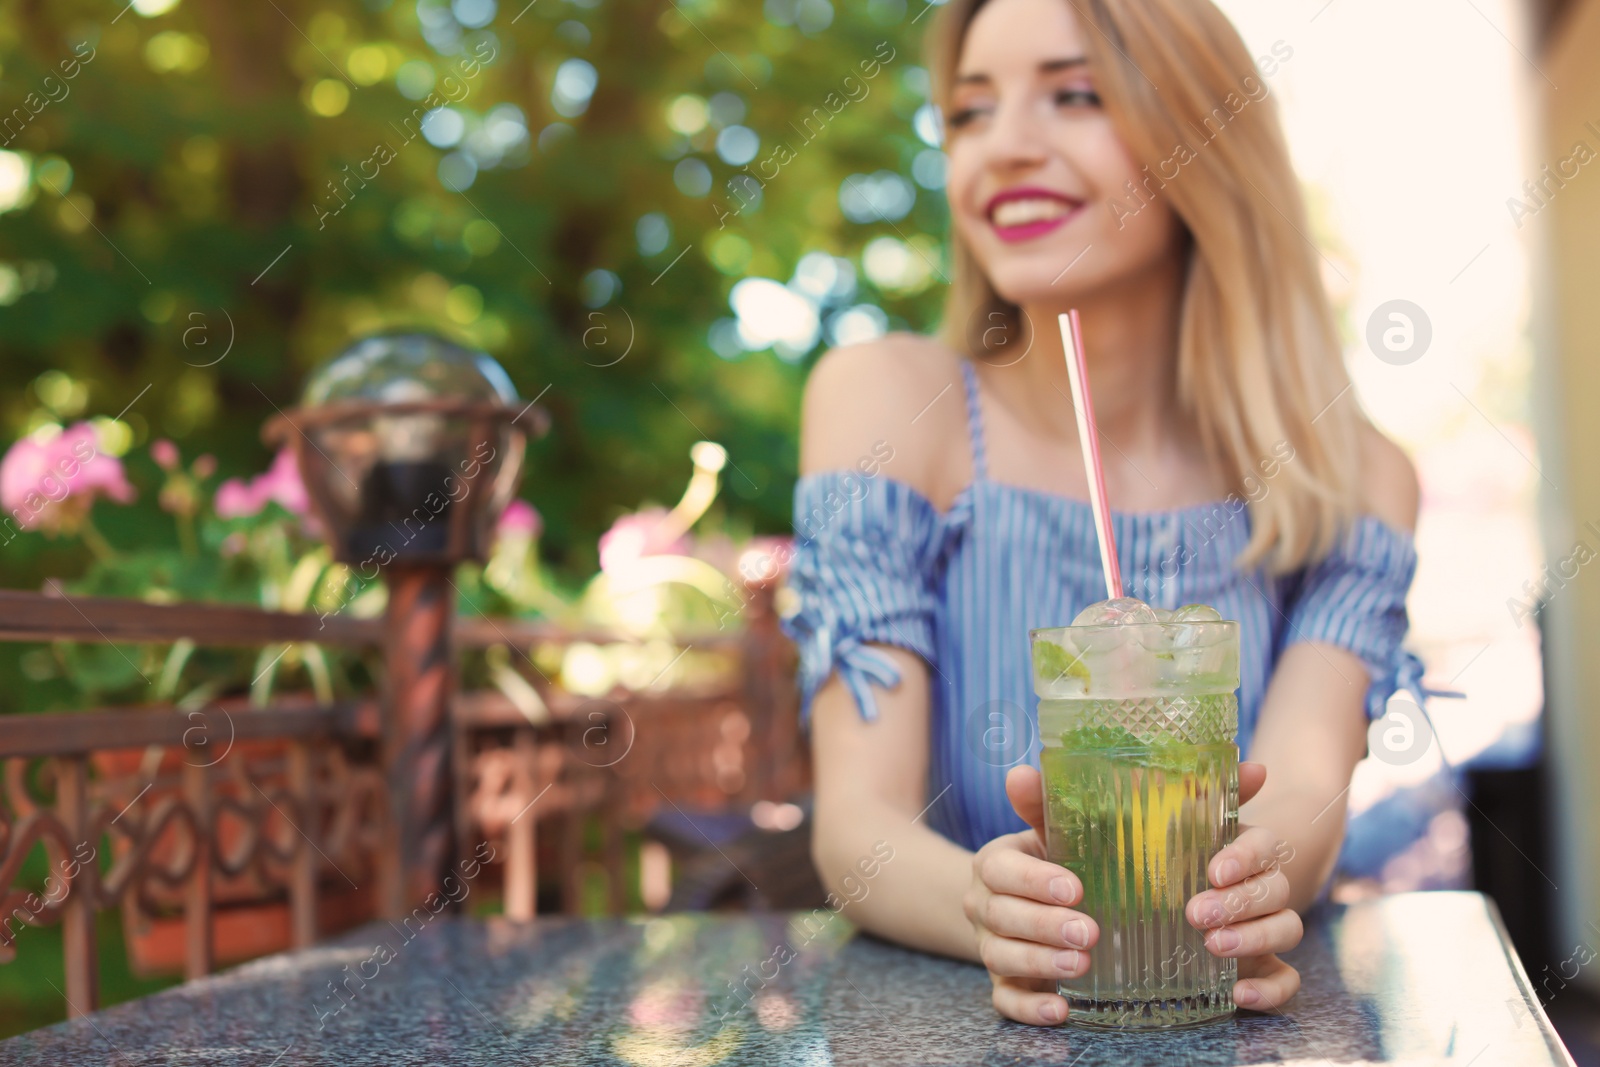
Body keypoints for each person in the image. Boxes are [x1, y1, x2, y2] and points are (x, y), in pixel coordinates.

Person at [779, 0, 1425, 1028]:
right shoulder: (888, 403)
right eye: (969, 112)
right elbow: (858, 827)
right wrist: (991, 910)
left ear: (1206, 137)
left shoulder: (1349, 475)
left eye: (1074, 94)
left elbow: (1303, 784)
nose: (1005, 148)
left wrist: (1245, 894)